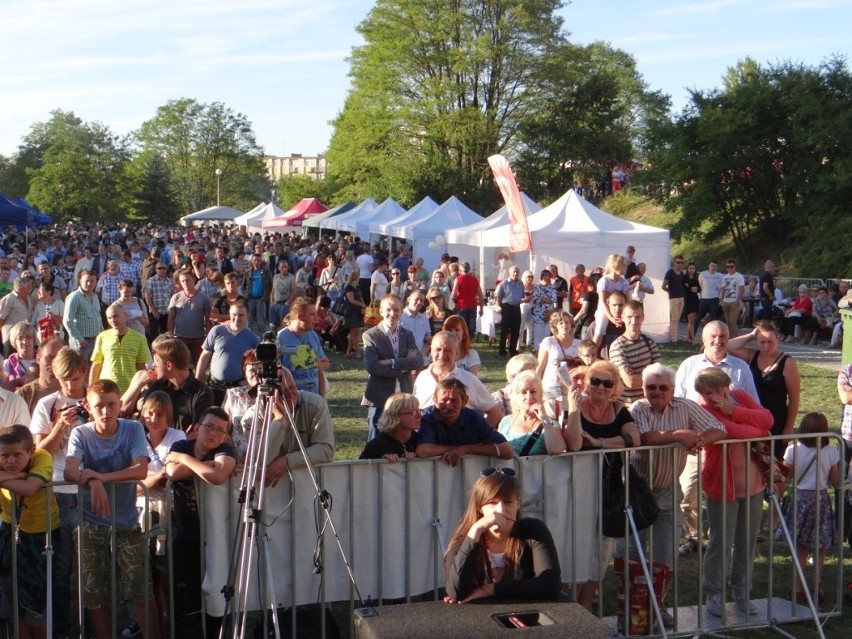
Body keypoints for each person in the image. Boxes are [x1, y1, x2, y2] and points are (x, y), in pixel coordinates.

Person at [626, 363, 726, 628]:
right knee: (632, 556)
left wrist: (698, 441)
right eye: (650, 387)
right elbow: (645, 438)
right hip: (637, 492)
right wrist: (681, 435)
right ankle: (632, 609)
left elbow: (718, 428)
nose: (656, 392)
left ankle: (658, 604)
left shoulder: (685, 406)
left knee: (666, 557)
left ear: (672, 389)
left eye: (662, 387)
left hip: (670, 490)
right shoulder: (638, 408)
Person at [63, 379, 159, 639]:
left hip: (126, 522)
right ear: (88, 407)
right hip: (90, 523)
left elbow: (141, 468)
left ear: (120, 404)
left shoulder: (133, 429)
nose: (106, 412)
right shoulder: (81, 433)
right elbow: (70, 469)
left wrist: (101, 479)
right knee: (94, 593)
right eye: (99, 406)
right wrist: (93, 480)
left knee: (141, 589)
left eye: (111, 405)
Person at [674, 320, 759, 556]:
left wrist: (732, 409)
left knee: (722, 495)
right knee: (687, 492)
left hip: (728, 448)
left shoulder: (740, 367)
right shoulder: (689, 365)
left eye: (723, 336)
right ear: (703, 339)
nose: (718, 341)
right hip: (694, 445)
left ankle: (719, 539)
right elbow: (678, 401)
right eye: (713, 336)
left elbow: (755, 405)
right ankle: (693, 537)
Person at [694, 368, 772, 618]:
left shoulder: (739, 396)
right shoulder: (702, 408)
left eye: (718, 391)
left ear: (727, 387)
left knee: (747, 541)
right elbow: (729, 431)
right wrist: (757, 429)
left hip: (753, 484)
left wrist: (735, 410)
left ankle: (742, 592)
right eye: (708, 393)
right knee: (721, 541)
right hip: (721, 485)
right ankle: (713, 594)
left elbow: (768, 419)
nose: (714, 397)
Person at [564, 360, 639, 609]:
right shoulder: (574, 407)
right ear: (586, 382)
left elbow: (633, 439)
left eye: (607, 383)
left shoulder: (619, 410)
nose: (600, 387)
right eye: (594, 380)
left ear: (615, 388)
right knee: (575, 548)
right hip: (575, 490)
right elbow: (574, 444)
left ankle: (585, 609)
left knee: (601, 550)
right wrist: (573, 410)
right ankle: (570, 609)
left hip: (608, 491)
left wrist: (599, 443)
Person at [165, 406, 235, 639]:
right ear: (197, 428)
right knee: (186, 601)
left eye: (220, 430)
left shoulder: (225, 449)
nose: (213, 433)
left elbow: (218, 476)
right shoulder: (181, 445)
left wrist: (185, 460)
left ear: (225, 436)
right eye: (209, 427)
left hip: (217, 539)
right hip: (186, 538)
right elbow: (172, 473)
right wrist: (205, 466)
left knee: (217, 598)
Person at [443, 468, 562, 603]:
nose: (500, 510)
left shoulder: (533, 530)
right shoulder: (467, 537)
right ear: (479, 506)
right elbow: (456, 593)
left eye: (508, 502)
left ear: (518, 504)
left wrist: (490, 590)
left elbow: (550, 585)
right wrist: (476, 530)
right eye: (492, 503)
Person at [0, 424, 60, 639]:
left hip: (42, 537)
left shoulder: (42, 456)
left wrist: (3, 477)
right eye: (5, 456)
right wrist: (17, 476)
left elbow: (30, 488)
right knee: (16, 603)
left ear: (31, 452)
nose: (10, 461)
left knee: (37, 604)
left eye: (17, 455)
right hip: (9, 532)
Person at [776, 412, 840, 605]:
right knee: (821, 546)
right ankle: (817, 583)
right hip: (821, 499)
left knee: (800, 546)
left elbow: (785, 477)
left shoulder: (793, 450)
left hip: (800, 499)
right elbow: (835, 480)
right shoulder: (831, 451)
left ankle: (798, 588)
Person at [137, 391, 186, 637]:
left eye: (160, 414)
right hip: (142, 514)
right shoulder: (137, 439)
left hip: (172, 513)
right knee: (150, 577)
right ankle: (154, 630)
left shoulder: (178, 436)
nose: (154, 418)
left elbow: (175, 470)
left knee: (167, 575)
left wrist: (151, 479)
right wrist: (154, 479)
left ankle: (172, 626)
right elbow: (130, 480)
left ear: (169, 416)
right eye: (150, 413)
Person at [240, 367, 335, 486]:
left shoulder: (315, 404)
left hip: (309, 484)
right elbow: (262, 459)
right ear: (267, 395)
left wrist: (288, 461)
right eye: (283, 392)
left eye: (292, 387)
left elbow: (326, 450)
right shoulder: (251, 418)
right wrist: (280, 420)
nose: (291, 395)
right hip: (269, 492)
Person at [728, 321, 801, 460]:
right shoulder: (752, 355)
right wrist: (750, 335)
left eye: (770, 342)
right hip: (754, 417)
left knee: (774, 465)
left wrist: (789, 427)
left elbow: (794, 397)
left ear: (777, 339)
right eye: (762, 342)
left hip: (777, 419)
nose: (766, 346)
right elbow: (729, 346)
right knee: (753, 461)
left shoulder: (787, 362)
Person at [362, 294, 424, 442]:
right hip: (379, 397)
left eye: (396, 310)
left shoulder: (407, 335)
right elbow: (373, 367)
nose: (392, 314)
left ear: (401, 311)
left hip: (404, 395)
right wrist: (404, 364)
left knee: (402, 439)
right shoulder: (370, 335)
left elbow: (418, 361)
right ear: (381, 311)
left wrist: (391, 361)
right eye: (388, 310)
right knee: (376, 440)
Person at [121, 337, 214, 434]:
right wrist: (137, 385)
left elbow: (196, 433)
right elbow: (127, 413)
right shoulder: (157, 386)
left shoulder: (202, 393)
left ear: (169, 365)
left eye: (156, 360)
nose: (153, 365)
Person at [413, 331, 502, 426]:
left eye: (447, 350)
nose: (442, 354)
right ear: (431, 351)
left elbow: (495, 413)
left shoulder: (468, 380)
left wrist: (478, 436)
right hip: (426, 438)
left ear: (456, 353)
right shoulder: (422, 377)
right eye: (438, 349)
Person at [416, 378, 512, 465]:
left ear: (465, 401)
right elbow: (423, 450)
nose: (449, 406)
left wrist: (465, 449)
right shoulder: (427, 416)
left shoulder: (473, 418)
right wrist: (458, 449)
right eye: (444, 400)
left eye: (454, 400)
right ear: (435, 401)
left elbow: (506, 451)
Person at [497, 371, 578, 456]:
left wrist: (545, 419)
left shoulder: (552, 423)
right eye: (523, 392)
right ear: (515, 396)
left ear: (541, 394)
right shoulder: (505, 422)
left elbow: (556, 450)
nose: (529, 397)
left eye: (533, 392)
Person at [196, 299, 260, 404]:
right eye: (234, 314)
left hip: (237, 388)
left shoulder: (252, 338)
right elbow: (205, 356)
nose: (236, 318)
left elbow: (255, 366)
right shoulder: (217, 331)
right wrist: (197, 380)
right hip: (215, 386)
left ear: (247, 315)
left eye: (241, 315)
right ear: (229, 313)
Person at [608, 301, 661, 404]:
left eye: (637, 317)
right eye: (629, 317)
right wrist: (652, 373)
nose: (633, 321)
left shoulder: (649, 342)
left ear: (643, 318)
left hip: (650, 403)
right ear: (622, 317)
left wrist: (640, 376)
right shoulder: (617, 346)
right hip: (628, 406)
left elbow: (661, 373)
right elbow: (630, 382)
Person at [90, 303, 151, 393]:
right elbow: (96, 365)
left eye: (116, 316)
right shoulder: (102, 337)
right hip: (106, 389)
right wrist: (91, 390)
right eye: (109, 318)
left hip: (130, 389)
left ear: (125, 315)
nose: (113, 320)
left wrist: (141, 387)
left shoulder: (139, 338)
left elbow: (141, 367)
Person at [277, 296, 329, 396]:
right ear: (300, 317)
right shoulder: (280, 338)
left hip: (314, 399)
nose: (317, 319)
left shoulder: (313, 335)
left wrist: (322, 399)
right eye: (313, 315)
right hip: (292, 400)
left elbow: (324, 364)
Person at [359, 392, 420, 462]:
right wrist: (381, 462)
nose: (419, 416)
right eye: (413, 413)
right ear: (395, 415)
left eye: (419, 411)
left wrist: (418, 457)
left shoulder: (421, 442)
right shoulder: (377, 446)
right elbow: (360, 470)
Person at [167, 268, 211, 364]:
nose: (185, 283)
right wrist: (170, 335)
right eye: (182, 281)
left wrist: (208, 335)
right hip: (180, 337)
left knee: (199, 364)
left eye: (188, 280)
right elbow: (171, 318)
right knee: (181, 364)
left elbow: (208, 319)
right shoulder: (176, 297)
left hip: (198, 337)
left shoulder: (203, 298)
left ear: (194, 280)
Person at [536, 310, 578, 402]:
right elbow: (540, 367)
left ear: (571, 324)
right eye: (561, 323)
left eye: (567, 322)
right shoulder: (548, 342)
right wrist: (537, 387)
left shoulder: (579, 344)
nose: (564, 325)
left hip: (571, 387)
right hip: (551, 386)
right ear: (555, 327)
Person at [592, 254, 631, 350]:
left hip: (620, 309)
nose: (626, 268)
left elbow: (628, 300)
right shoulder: (604, 281)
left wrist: (624, 315)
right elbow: (602, 301)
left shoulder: (623, 282)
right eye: (624, 266)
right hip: (604, 309)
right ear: (615, 266)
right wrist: (611, 317)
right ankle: (592, 351)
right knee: (600, 328)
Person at [16, 336, 63, 413]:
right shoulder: (24, 394)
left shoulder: (75, 390)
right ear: (38, 359)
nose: (55, 362)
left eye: (59, 357)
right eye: (49, 357)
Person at [0, 275, 34, 355]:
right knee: (9, 362)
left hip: (25, 337)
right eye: (28, 286)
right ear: (21, 287)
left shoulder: (28, 298)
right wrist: (2, 334)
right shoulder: (9, 299)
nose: (30, 287)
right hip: (11, 337)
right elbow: (0, 318)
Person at [450, 262, 484, 339]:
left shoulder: (458, 279)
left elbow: (454, 294)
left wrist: (454, 300)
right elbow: (480, 295)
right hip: (472, 306)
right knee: (471, 327)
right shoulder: (475, 279)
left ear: (460, 270)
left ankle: (460, 343)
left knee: (460, 326)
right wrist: (481, 308)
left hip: (461, 306)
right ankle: (469, 344)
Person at [242, 253, 273, 335]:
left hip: (261, 300)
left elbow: (270, 285)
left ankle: (262, 340)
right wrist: (246, 296)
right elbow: (243, 286)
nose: (257, 262)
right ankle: (249, 338)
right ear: (252, 261)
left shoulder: (266, 271)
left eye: (258, 260)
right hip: (250, 299)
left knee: (261, 322)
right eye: (255, 260)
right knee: (249, 321)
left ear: (261, 261)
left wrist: (265, 297)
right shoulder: (248, 272)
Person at [495, 266, 523, 357]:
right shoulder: (504, 283)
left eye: (517, 272)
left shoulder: (520, 283)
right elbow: (499, 298)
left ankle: (513, 350)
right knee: (504, 331)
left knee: (516, 330)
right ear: (509, 273)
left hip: (517, 308)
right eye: (514, 272)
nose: (515, 274)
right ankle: (502, 351)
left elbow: (521, 296)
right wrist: (503, 307)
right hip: (507, 307)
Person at [143, 260, 174, 340]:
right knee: (154, 333)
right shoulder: (151, 281)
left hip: (167, 311)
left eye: (164, 268)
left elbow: (172, 295)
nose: (162, 270)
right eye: (159, 268)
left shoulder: (170, 281)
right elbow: (147, 296)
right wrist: (153, 310)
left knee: (166, 334)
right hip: (155, 311)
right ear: (156, 269)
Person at [3, 320, 37, 389]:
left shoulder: (42, 360)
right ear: (14, 341)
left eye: (28, 337)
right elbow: (3, 388)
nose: (25, 341)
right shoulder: (7, 364)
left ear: (34, 339)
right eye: (20, 338)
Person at [340, 271, 367, 359]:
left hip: (357, 312)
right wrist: (362, 305)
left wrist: (363, 304)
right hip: (351, 312)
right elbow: (351, 300)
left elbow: (360, 297)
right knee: (354, 333)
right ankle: (358, 352)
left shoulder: (357, 287)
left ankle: (348, 352)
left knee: (353, 333)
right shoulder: (349, 288)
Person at [399, 289, 431, 359]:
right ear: (409, 299)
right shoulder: (399, 317)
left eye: (422, 300)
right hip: (403, 360)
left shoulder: (424, 319)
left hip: (422, 359)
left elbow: (428, 341)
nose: (419, 302)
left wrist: (419, 355)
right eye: (416, 299)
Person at [530, 269, 557, 349]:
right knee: (537, 334)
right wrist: (545, 299)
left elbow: (553, 299)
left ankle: (546, 350)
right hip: (538, 314)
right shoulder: (536, 287)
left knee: (546, 334)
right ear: (541, 276)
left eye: (548, 275)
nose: (546, 277)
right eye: (544, 275)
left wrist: (542, 299)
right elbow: (534, 299)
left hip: (548, 313)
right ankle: (537, 350)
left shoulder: (552, 287)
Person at [719, 259, 745, 338]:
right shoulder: (725, 277)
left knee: (732, 321)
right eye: (728, 267)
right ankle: (729, 337)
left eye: (731, 266)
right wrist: (721, 300)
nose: (729, 268)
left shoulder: (739, 276)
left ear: (735, 267)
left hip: (735, 301)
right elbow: (723, 289)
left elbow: (741, 290)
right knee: (727, 321)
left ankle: (736, 338)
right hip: (725, 301)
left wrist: (737, 301)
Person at [696, 260, 723, 332]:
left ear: (717, 267)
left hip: (714, 298)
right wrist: (699, 298)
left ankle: (711, 333)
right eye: (711, 266)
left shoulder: (720, 275)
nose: (713, 267)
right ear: (709, 266)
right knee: (699, 317)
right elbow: (699, 286)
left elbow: (722, 287)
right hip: (704, 298)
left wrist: (720, 298)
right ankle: (691, 336)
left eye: (715, 266)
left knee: (713, 317)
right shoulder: (703, 274)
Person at [269, 258, 297, 329]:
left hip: (284, 303)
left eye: (286, 267)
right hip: (275, 303)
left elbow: (294, 291)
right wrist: (271, 302)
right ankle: (274, 338)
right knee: (273, 324)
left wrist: (288, 302)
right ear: (279, 268)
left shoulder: (291, 277)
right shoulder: (276, 277)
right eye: (282, 267)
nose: (284, 269)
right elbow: (273, 290)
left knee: (284, 324)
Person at [682, 263, 700, 343]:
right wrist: (691, 288)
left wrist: (693, 288)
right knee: (691, 320)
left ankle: (688, 338)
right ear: (687, 269)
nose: (692, 270)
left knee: (692, 320)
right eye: (690, 268)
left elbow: (699, 288)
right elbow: (685, 288)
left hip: (695, 299)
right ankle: (692, 339)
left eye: (693, 268)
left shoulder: (696, 278)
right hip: (688, 300)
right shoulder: (685, 278)